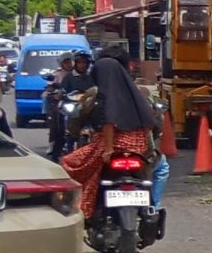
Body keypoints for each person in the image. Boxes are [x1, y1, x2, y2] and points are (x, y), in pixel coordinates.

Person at [60, 43, 163, 217]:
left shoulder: (95, 94)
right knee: (162, 168)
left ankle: (78, 208)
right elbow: (156, 123)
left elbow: (86, 122)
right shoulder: (142, 92)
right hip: (141, 149)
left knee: (68, 164)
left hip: (109, 148)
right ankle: (154, 205)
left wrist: (106, 148)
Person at [45, 50, 95, 161]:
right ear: (75, 63)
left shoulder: (92, 77)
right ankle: (56, 151)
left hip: (88, 107)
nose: (82, 65)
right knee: (59, 126)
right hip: (71, 106)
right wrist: (59, 93)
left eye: (85, 62)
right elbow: (61, 90)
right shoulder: (68, 78)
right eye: (80, 62)